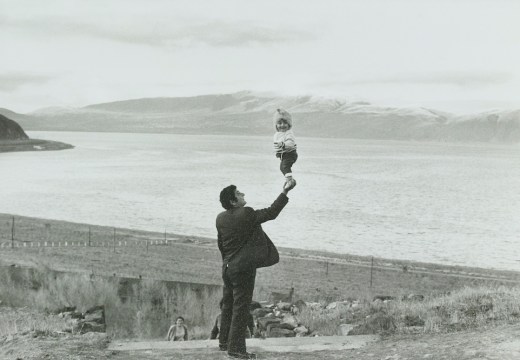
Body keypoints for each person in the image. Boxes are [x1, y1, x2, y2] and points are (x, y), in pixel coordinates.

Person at [216, 180, 296, 359]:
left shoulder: (220, 218)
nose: (243, 194)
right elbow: (271, 212)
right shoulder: (246, 213)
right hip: (243, 270)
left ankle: (223, 342)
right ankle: (236, 349)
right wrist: (285, 192)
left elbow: (221, 245)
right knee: (241, 308)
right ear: (233, 201)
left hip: (227, 268)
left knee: (228, 305)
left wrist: (227, 264)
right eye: (238, 193)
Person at [273, 108, 298, 189]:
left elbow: (290, 143)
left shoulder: (289, 133)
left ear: (289, 125)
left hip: (290, 154)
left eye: (285, 123)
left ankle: (290, 181)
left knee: (285, 166)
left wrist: (283, 145)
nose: (282, 125)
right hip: (284, 155)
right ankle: (288, 180)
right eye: (279, 123)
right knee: (282, 167)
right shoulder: (278, 134)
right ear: (276, 125)